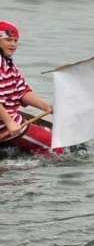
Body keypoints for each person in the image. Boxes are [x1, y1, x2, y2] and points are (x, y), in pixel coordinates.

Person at [0, 21, 62, 154]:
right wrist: (10, 123)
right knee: (55, 144)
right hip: (5, 122)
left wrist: (47, 107)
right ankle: (46, 173)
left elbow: (22, 92)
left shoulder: (8, 63)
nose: (13, 44)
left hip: (11, 119)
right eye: (8, 40)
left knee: (50, 135)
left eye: (16, 40)